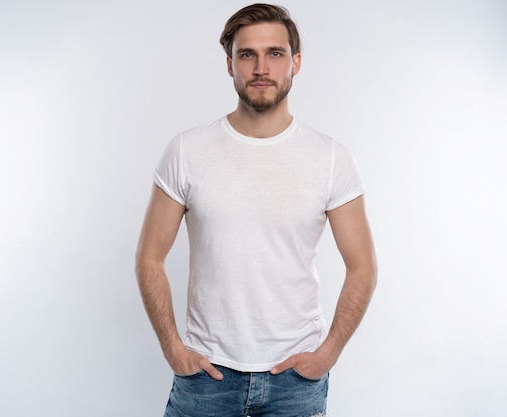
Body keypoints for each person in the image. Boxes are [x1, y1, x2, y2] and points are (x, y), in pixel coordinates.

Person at [135, 3, 377, 416]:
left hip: (295, 382)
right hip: (207, 379)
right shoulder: (187, 151)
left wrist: (327, 354)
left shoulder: (331, 157)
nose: (261, 67)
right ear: (229, 65)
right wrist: (174, 349)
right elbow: (149, 258)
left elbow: (363, 266)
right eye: (247, 55)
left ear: (295, 63)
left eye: (275, 53)